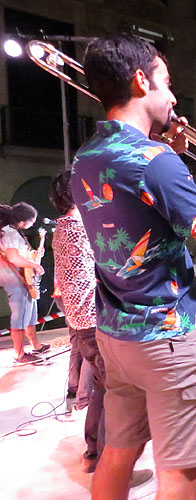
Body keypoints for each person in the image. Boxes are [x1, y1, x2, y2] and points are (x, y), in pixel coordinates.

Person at [72, 34, 196, 500]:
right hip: (167, 342)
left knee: (118, 452)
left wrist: (171, 155)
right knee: (179, 471)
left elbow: (138, 205)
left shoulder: (86, 157)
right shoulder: (155, 161)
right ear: (141, 81)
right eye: (167, 82)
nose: (174, 97)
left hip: (117, 335)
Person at [50, 170, 108, 474]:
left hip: (79, 321)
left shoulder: (61, 228)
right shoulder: (82, 228)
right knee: (116, 392)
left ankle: (92, 451)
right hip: (95, 321)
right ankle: (110, 464)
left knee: (102, 387)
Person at [0, 202, 49, 365]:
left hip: (21, 278)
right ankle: (20, 354)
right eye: (31, 222)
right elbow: (14, 258)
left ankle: (35, 346)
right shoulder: (10, 233)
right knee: (20, 316)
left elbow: (21, 255)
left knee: (29, 313)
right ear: (22, 221)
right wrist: (34, 265)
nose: (31, 225)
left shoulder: (13, 232)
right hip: (15, 279)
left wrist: (34, 255)